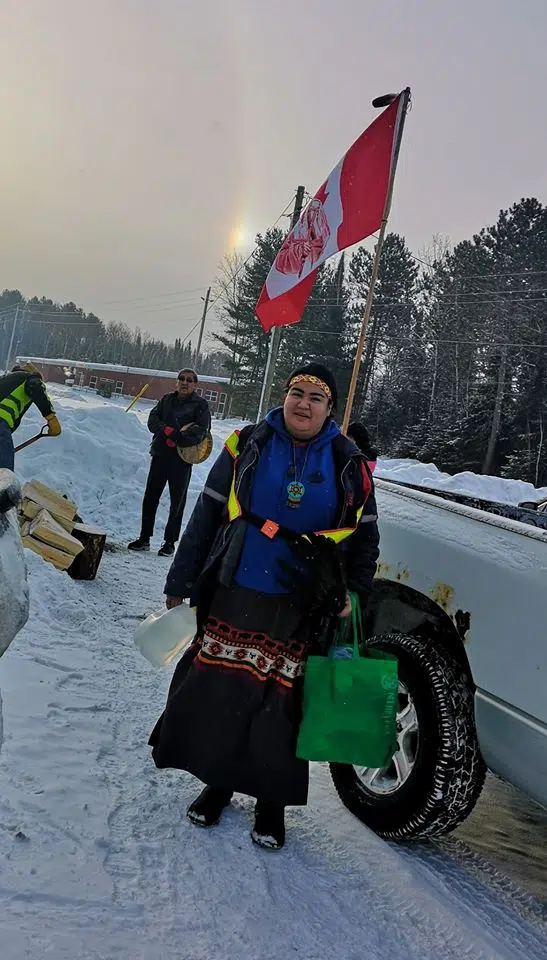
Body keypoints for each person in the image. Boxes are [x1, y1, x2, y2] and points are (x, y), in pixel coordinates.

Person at [149, 362, 380, 850]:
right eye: (296, 392)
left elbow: (366, 537)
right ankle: (219, 783)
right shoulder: (247, 443)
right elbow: (209, 509)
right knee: (224, 692)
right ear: (284, 395)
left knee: (282, 705)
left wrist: (354, 594)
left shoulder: (347, 461)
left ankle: (271, 802)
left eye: (315, 398)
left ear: (330, 409)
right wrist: (182, 577)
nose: (303, 403)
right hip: (237, 589)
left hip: (302, 603)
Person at [128, 369, 211, 557]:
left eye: (189, 380)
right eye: (181, 379)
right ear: (176, 382)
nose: (184, 382)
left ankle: (169, 542)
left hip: (182, 459)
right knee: (150, 497)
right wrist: (166, 431)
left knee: (177, 501)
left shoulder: (200, 405)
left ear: (195, 384)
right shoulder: (166, 400)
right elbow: (152, 420)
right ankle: (144, 538)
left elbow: (201, 431)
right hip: (160, 454)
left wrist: (179, 439)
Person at [0, 362, 61, 470]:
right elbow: (36, 388)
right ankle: (5, 484)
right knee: (5, 470)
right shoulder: (30, 378)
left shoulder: (4, 378)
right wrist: (51, 418)